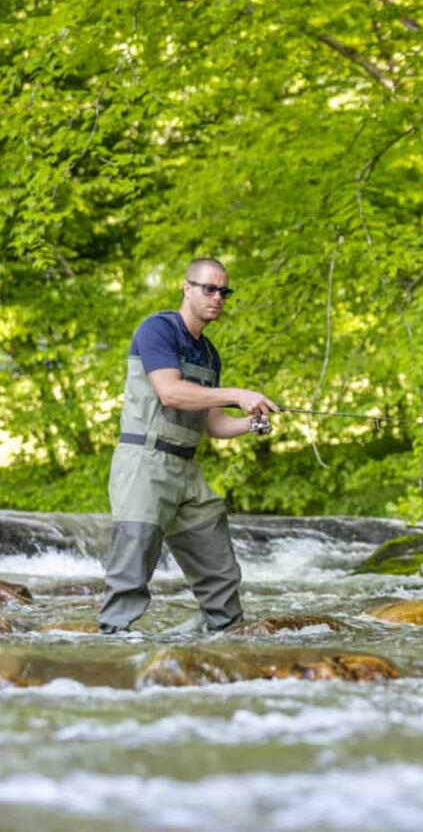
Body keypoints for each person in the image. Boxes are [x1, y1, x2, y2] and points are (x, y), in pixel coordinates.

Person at [98, 257, 278, 634]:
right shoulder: (158, 330)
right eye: (208, 289)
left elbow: (213, 423)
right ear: (187, 288)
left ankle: (222, 643)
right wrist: (238, 393)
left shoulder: (210, 354)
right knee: (131, 573)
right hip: (144, 464)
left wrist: (251, 422)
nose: (217, 298)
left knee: (221, 573)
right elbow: (171, 393)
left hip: (185, 469)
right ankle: (113, 649)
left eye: (223, 292)